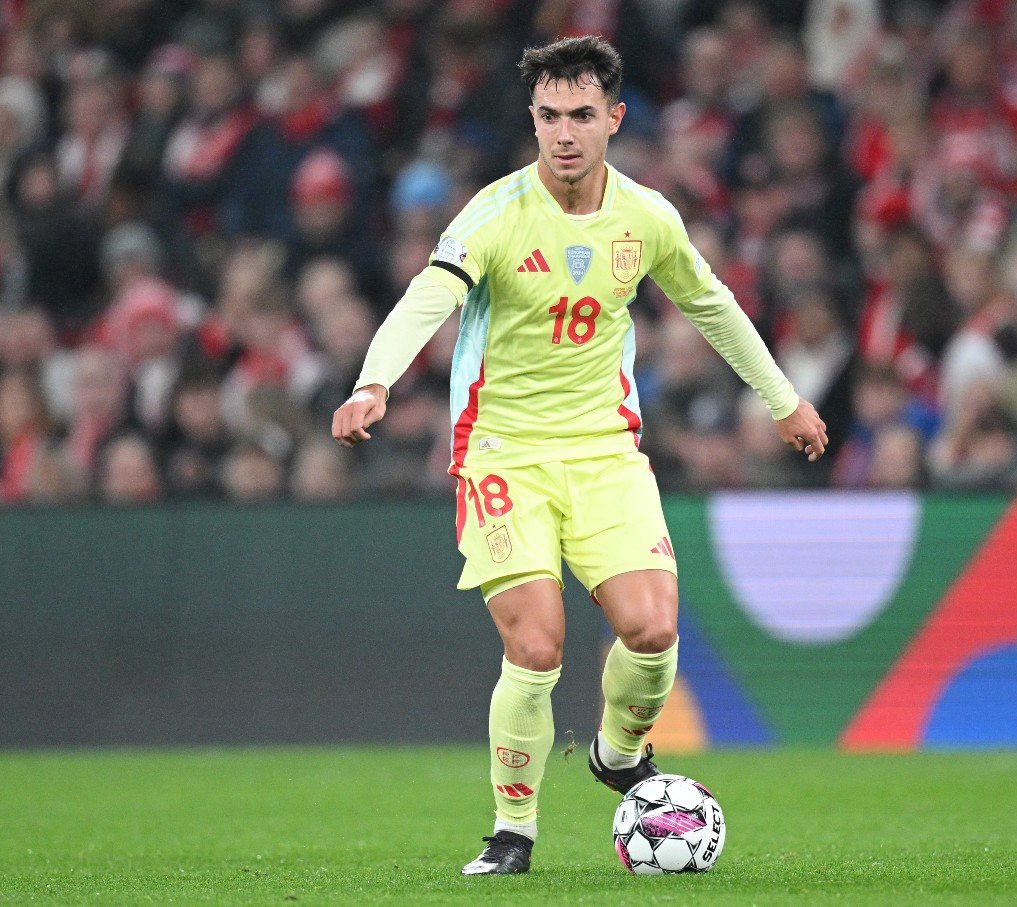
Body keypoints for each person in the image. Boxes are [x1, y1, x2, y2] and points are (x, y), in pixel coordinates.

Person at [330, 36, 827, 876]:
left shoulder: (647, 216)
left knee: (654, 628)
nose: (565, 134)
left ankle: (614, 750)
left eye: (582, 116)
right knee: (537, 647)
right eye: (550, 116)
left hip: (605, 451)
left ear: (614, 120)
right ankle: (512, 831)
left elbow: (712, 305)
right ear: (533, 119)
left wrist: (785, 400)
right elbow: (428, 298)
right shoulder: (491, 215)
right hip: (502, 455)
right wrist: (374, 381)